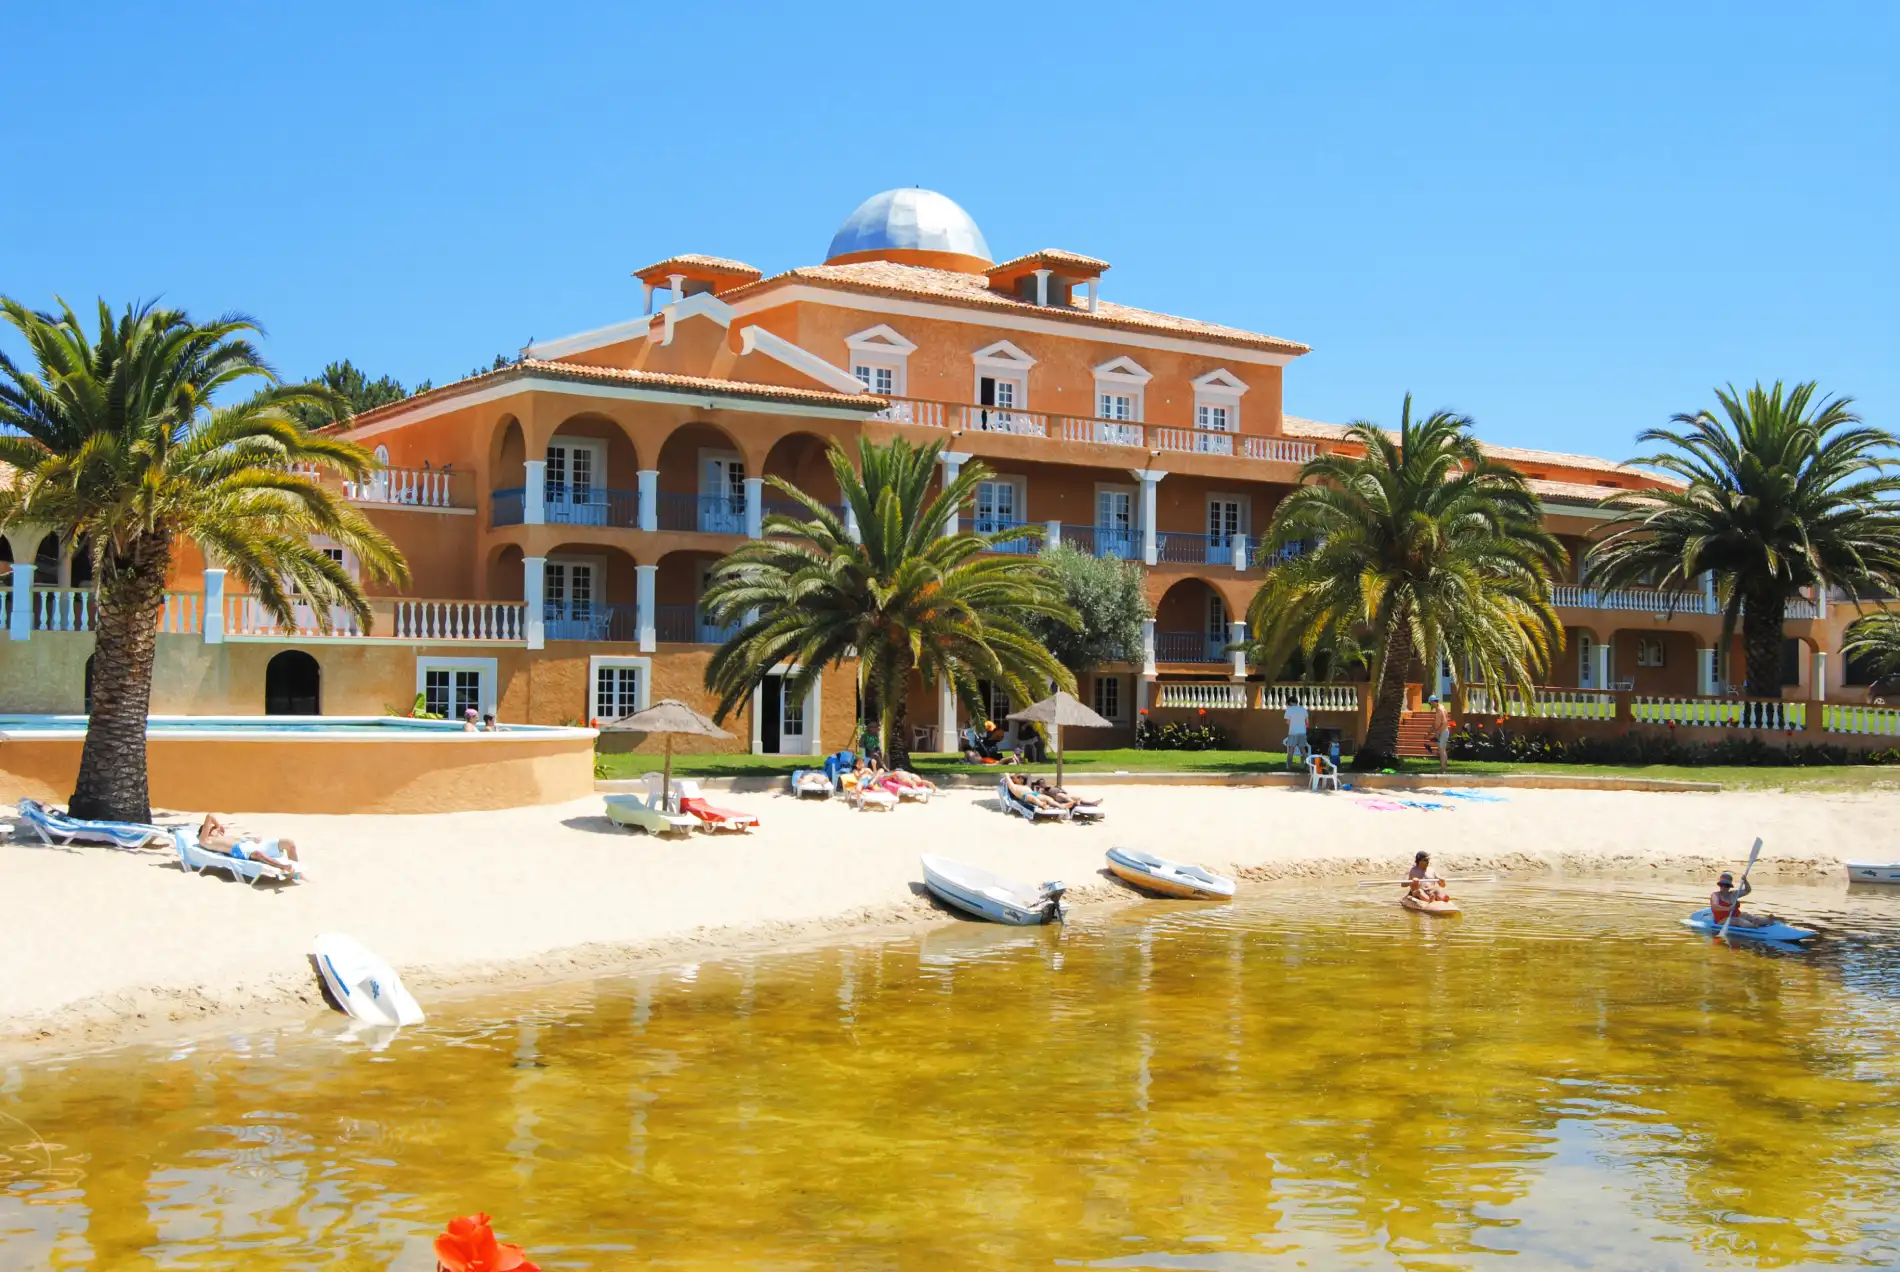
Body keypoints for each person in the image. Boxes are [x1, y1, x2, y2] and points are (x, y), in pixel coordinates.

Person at [198, 814, 304, 879]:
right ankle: (283, 866)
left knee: (289, 843)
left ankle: (296, 874)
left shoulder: (224, 837)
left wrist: (251, 841)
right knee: (258, 855)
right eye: (213, 828)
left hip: (252, 844)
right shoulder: (206, 841)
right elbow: (209, 816)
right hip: (241, 851)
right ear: (207, 831)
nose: (217, 830)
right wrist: (218, 825)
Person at [1283, 692, 1310, 766]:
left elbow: (1287, 722)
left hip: (1293, 732)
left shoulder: (1289, 709)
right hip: (1302, 732)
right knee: (1303, 750)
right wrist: (1304, 727)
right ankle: (1308, 765)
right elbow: (1307, 722)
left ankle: (1288, 766)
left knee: (1291, 750)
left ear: (1291, 702)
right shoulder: (1303, 709)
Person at [1428, 695, 1452, 774]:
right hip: (1441, 731)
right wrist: (1430, 731)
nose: (1430, 705)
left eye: (1430, 703)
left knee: (1442, 751)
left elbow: (1444, 723)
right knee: (1441, 750)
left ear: (1433, 702)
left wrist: (1437, 732)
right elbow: (1436, 722)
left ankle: (1444, 769)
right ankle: (1443, 768)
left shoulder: (1440, 709)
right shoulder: (1440, 708)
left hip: (1443, 732)